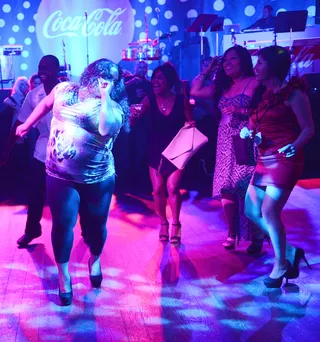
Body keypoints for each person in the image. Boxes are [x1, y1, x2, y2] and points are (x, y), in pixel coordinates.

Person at [16, 58, 129, 305]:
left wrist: (105, 96)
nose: (104, 80)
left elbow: (105, 128)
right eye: (100, 75)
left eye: (110, 78)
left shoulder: (114, 109)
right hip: (60, 174)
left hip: (97, 177)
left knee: (97, 227)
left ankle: (95, 259)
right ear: (89, 74)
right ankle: (64, 275)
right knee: (62, 225)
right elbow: (46, 104)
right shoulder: (64, 89)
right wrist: (27, 124)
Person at [240, 46, 314, 287]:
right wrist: (250, 134)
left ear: (273, 66)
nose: (256, 66)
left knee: (269, 211)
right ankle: (290, 251)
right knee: (251, 210)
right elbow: (259, 129)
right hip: (264, 158)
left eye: (260, 62)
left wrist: (295, 144)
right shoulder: (264, 96)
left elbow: (309, 128)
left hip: (285, 159)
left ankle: (280, 264)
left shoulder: (293, 94)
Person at [190, 46, 266, 253]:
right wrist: (208, 69)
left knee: (246, 188)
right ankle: (232, 234)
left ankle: (257, 237)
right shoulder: (222, 86)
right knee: (225, 187)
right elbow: (194, 91)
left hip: (245, 140)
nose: (228, 63)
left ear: (244, 61)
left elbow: (264, 109)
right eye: (225, 60)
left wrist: (242, 110)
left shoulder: (255, 83)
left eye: (233, 59)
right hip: (224, 141)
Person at [0, 55, 61, 247]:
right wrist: (7, 149)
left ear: (57, 70)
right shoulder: (33, 95)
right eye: (40, 67)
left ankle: (86, 227)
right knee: (35, 190)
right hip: (43, 149)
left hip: (67, 150)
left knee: (72, 193)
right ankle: (32, 229)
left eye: (47, 68)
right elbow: (20, 122)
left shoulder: (68, 91)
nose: (42, 71)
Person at [132, 62, 194, 244]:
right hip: (156, 150)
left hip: (177, 150)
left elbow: (191, 123)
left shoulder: (181, 100)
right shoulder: (149, 100)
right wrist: (132, 117)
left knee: (172, 188)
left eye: (160, 78)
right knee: (158, 190)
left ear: (169, 81)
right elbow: (134, 120)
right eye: (154, 78)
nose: (155, 82)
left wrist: (190, 125)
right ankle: (163, 223)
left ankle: (176, 224)